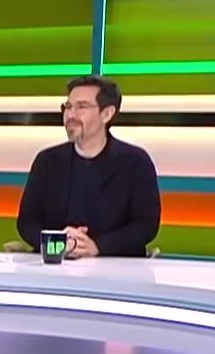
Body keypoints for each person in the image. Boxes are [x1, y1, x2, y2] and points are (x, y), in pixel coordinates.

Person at [16, 75, 161, 258]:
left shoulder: (136, 162)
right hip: (56, 265)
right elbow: (27, 223)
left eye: (81, 107)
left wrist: (98, 247)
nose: (70, 115)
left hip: (116, 266)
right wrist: (59, 244)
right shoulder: (47, 161)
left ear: (107, 113)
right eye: (68, 107)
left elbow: (145, 226)